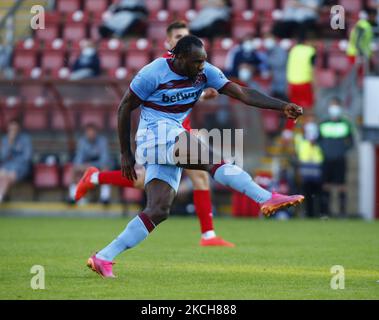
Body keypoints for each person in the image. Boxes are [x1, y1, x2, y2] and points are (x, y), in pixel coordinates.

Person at [85, 35, 304, 278]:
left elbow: (241, 93)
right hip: (153, 135)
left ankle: (103, 257)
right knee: (212, 159)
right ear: (178, 58)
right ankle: (264, 197)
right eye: (195, 62)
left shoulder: (204, 72)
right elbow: (124, 107)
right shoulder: (153, 73)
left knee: (158, 209)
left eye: (203, 61)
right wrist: (125, 153)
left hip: (170, 135)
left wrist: (281, 106)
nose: (201, 67)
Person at [76, 21, 233, 247]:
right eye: (178, 36)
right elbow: (155, 100)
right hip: (159, 134)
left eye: (186, 36)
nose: (182, 39)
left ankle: (208, 235)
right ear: (168, 42)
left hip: (181, 130)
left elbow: (181, 95)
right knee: (142, 181)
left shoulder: (190, 65)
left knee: (199, 175)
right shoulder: (159, 69)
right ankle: (94, 177)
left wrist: (202, 96)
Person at [319, 98, 354, 218]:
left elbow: (351, 141)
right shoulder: (323, 124)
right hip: (327, 158)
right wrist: (324, 150)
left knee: (341, 186)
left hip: (340, 159)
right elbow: (319, 140)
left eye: (336, 106)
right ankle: (325, 212)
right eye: (332, 106)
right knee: (326, 185)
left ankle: (342, 212)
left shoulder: (345, 124)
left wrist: (342, 150)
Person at [69, 123, 112, 204]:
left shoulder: (102, 141)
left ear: (96, 132)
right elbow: (78, 159)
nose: (90, 134)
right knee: (74, 169)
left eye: (92, 132)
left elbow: (104, 160)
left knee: (105, 169)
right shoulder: (82, 142)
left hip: (99, 167)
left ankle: (105, 198)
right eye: (88, 132)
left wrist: (91, 166)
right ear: (86, 133)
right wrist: (83, 167)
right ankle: (74, 197)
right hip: (86, 168)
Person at [284, 36, 316, 134]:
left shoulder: (293, 50)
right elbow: (314, 66)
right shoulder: (310, 50)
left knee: (294, 107)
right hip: (304, 81)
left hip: (292, 83)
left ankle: (288, 132)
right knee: (309, 107)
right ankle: (310, 130)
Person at [294, 117, 323, 218]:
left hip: (317, 173)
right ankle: (308, 215)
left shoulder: (319, 143)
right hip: (305, 174)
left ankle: (318, 214)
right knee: (306, 195)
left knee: (317, 195)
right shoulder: (301, 141)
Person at [0, 119, 32, 203]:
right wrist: (10, 143)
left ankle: (1, 196)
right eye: (11, 129)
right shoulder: (5, 139)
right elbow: (2, 157)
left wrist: (14, 165)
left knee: (7, 177)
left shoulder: (25, 139)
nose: (13, 131)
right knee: (2, 175)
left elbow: (27, 157)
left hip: (20, 168)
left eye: (15, 129)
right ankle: (2, 196)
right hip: (6, 167)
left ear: (19, 129)